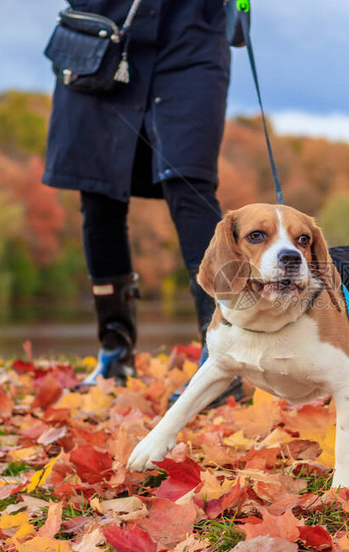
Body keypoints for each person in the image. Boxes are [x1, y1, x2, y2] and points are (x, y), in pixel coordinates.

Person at [42, 0, 244, 403]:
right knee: (98, 190)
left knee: (189, 181)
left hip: (192, 40)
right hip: (104, 33)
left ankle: (222, 363)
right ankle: (114, 355)